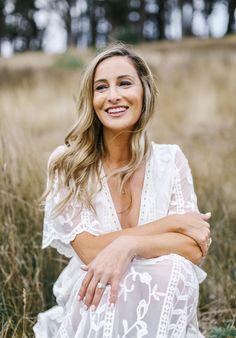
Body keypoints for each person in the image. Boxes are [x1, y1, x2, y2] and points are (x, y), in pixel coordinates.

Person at [33, 43, 212, 338]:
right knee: (106, 277)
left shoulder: (171, 160)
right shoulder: (67, 164)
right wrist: (172, 224)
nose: (113, 96)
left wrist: (128, 247)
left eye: (124, 83)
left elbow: (194, 248)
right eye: (101, 87)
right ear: (91, 100)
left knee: (175, 270)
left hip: (158, 303)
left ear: (143, 91)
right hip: (97, 295)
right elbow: (89, 250)